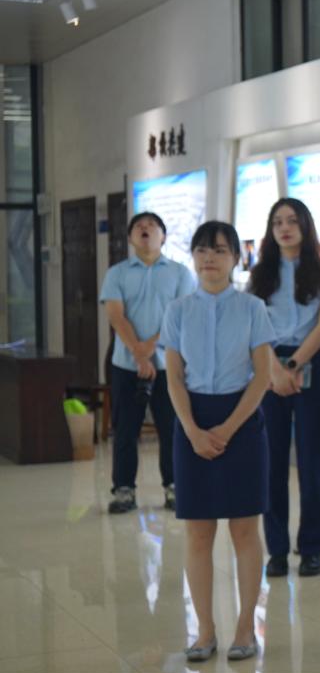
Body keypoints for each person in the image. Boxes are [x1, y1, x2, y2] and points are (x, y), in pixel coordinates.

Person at [160, 221, 275, 662]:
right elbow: (174, 377)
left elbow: (262, 376)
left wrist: (227, 429)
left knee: (245, 529)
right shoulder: (178, 310)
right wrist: (191, 429)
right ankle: (205, 630)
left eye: (221, 250)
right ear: (193, 256)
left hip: (241, 420)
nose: (210, 258)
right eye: (203, 250)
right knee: (198, 532)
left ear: (235, 259)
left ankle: (245, 627)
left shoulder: (252, 308)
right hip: (192, 419)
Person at [248, 198, 320, 578]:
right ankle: (277, 550)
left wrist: (292, 366)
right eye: (277, 222)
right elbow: (255, 325)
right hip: (269, 365)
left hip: (312, 363)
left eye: (291, 221)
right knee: (270, 463)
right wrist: (275, 368)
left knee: (313, 462)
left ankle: (312, 547)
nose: (284, 228)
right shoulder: (261, 273)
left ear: (305, 225)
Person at [99, 211, 196, 513]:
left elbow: (180, 317)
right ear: (130, 238)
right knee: (125, 431)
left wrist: (150, 349)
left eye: (152, 226)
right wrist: (139, 353)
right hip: (126, 365)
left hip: (170, 365)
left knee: (172, 429)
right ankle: (124, 490)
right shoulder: (117, 273)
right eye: (138, 226)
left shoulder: (181, 273)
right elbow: (116, 315)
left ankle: (174, 486)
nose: (145, 229)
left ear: (163, 236)